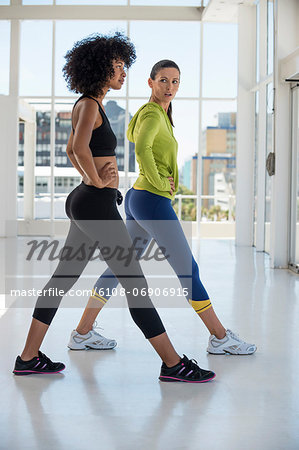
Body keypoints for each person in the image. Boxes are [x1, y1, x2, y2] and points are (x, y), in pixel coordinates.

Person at [13, 36, 215, 383]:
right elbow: (77, 147)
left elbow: (68, 148)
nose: (123, 72)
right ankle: (173, 364)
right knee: (135, 284)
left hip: (86, 202)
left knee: (62, 278)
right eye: (118, 65)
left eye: (124, 65)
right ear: (101, 67)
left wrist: (92, 179)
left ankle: (28, 357)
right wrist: (97, 181)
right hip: (94, 203)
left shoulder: (90, 103)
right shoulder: (90, 103)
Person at [69, 59, 257, 357]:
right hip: (151, 201)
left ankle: (82, 332)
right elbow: (141, 147)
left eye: (175, 81)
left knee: (120, 268)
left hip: (138, 199)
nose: (170, 87)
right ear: (151, 82)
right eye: (163, 80)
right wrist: (160, 182)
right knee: (188, 272)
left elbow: (136, 138)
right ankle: (220, 337)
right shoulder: (154, 115)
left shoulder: (152, 113)